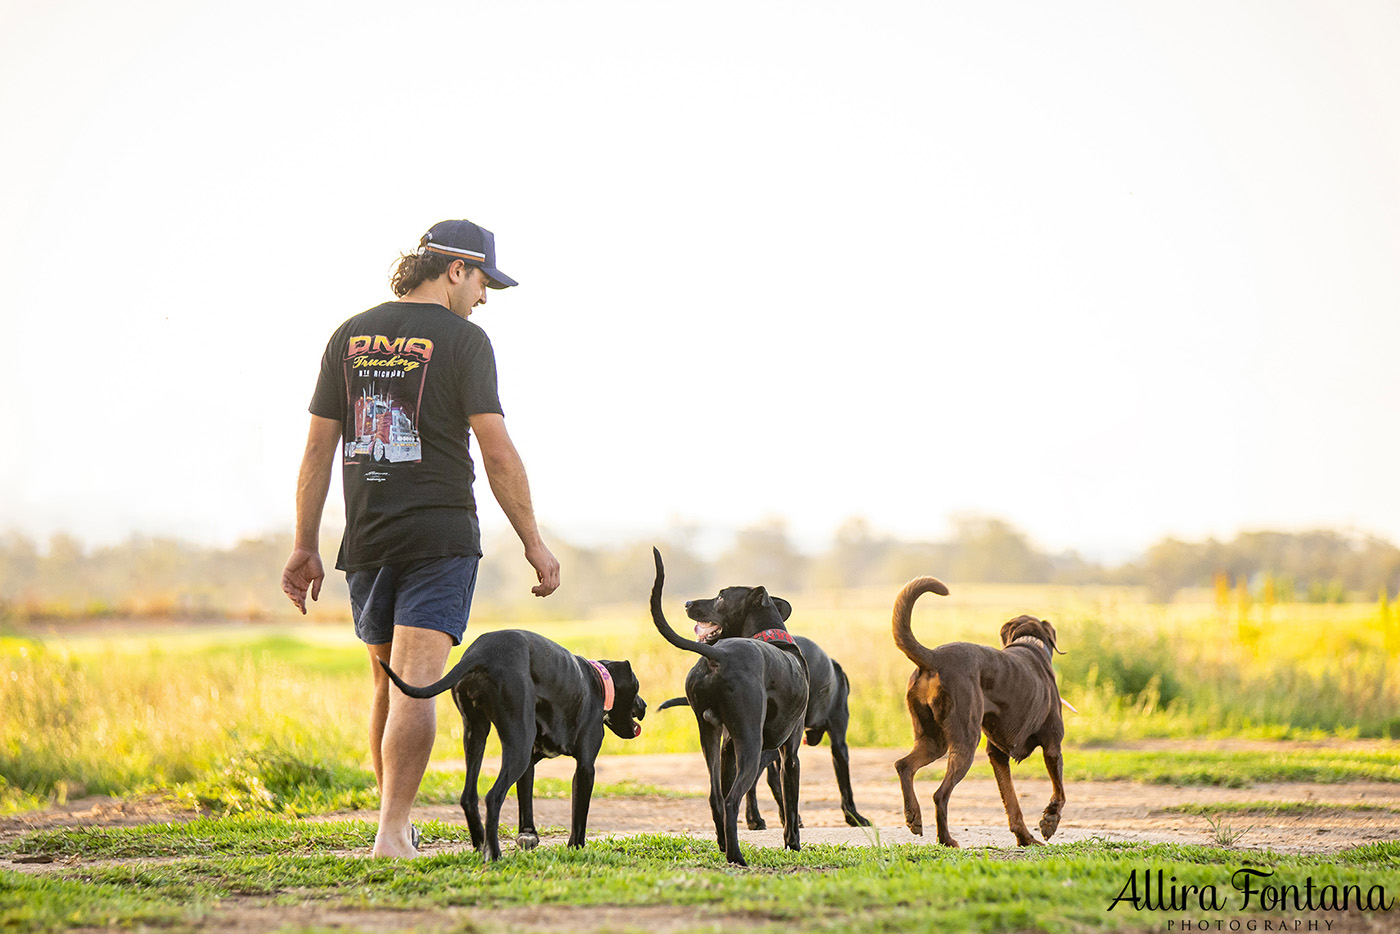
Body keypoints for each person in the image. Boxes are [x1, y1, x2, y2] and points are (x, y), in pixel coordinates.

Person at [280, 219, 560, 858]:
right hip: (440, 534)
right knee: (416, 680)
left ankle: (395, 825)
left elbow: (318, 449)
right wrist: (533, 542)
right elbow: (497, 450)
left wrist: (304, 543)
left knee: (386, 683)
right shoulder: (465, 339)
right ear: (457, 269)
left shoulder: (348, 336)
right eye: (484, 280)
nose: (484, 297)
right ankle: (390, 835)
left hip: (368, 535)